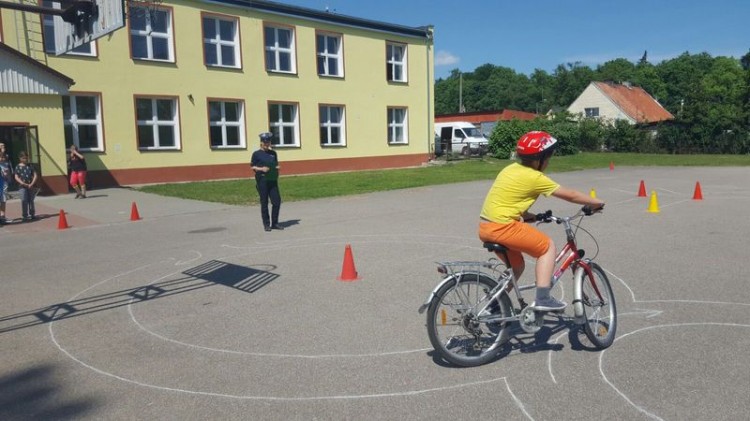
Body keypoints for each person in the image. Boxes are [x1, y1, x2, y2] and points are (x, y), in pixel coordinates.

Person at [478, 131, 605, 311]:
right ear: (540, 158)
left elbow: (509, 198)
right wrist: (596, 202)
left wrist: (530, 215)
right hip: (503, 227)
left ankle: (495, 303)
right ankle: (543, 298)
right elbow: (571, 195)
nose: (549, 161)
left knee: (517, 266)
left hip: (486, 226)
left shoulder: (510, 169)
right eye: (549, 157)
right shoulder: (535, 177)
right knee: (547, 247)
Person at [250, 132, 282, 232]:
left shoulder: (273, 153)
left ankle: (275, 223)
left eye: (268, 142)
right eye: (265, 142)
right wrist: (261, 168)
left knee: (276, 201)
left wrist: (277, 168)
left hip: (272, 180)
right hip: (262, 180)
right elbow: (252, 166)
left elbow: (275, 164)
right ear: (261, 143)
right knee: (264, 203)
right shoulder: (256, 154)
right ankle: (266, 224)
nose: (266, 144)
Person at [14, 151, 38, 222]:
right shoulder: (18, 167)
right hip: (22, 186)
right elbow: (16, 176)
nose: (25, 160)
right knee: (24, 200)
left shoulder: (30, 165)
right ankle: (25, 215)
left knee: (31, 200)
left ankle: (32, 214)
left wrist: (32, 183)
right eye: (23, 158)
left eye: (26, 158)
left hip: (30, 185)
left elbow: (35, 175)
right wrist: (22, 183)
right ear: (20, 158)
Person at [0, 143, 10, 224]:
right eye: (1, 146)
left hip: (4, 181)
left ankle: (2, 216)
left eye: (3, 146)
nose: (3, 147)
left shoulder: (6, 157)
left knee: (3, 198)